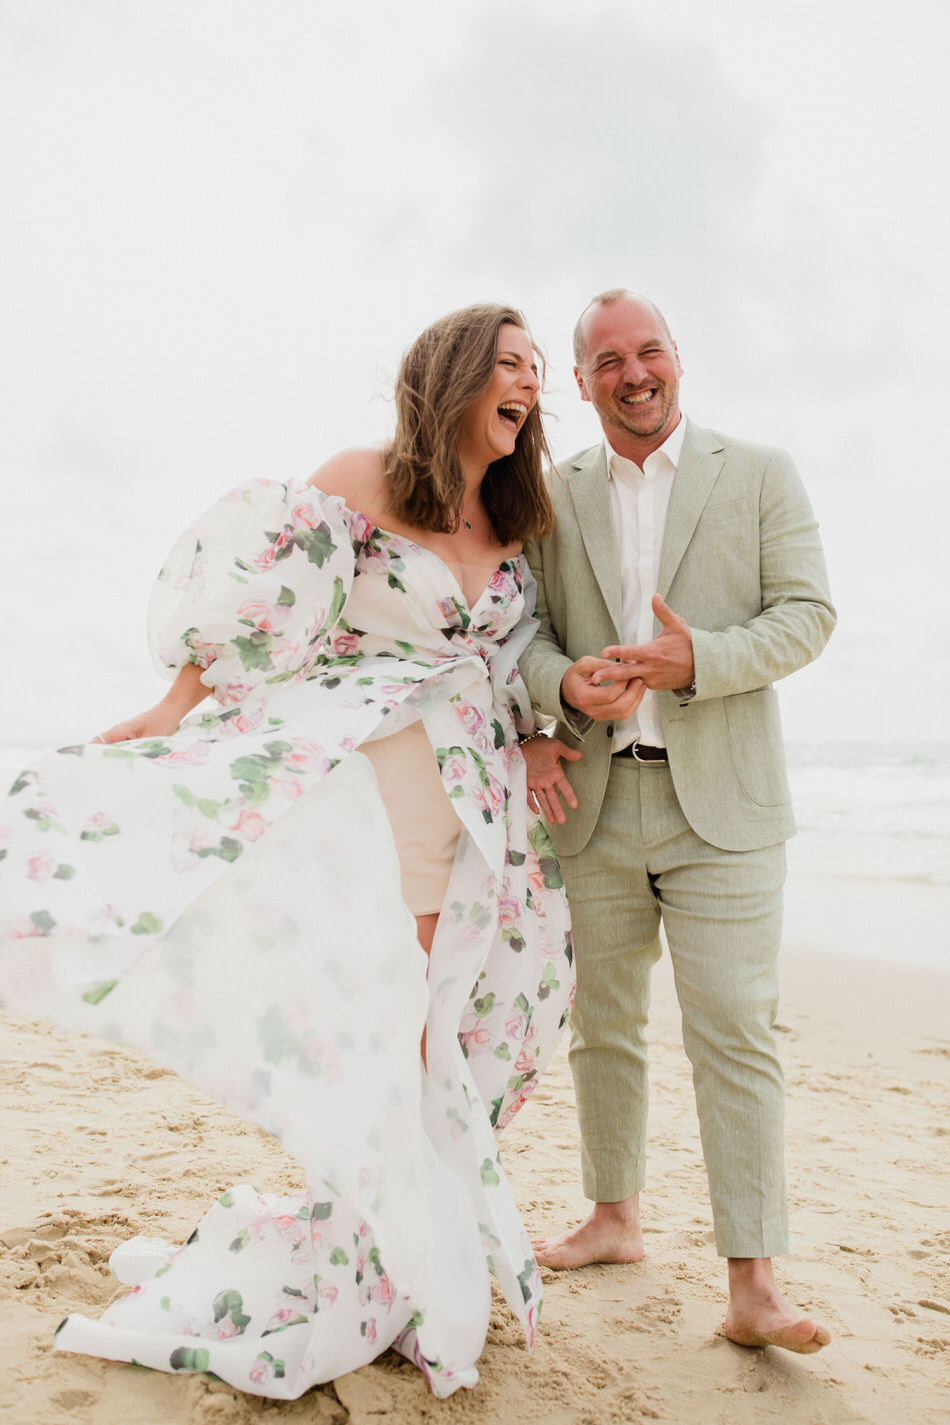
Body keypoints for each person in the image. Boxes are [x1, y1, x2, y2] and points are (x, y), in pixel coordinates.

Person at [0, 304, 574, 1399]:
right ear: (453, 374)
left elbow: (515, 661)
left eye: (536, 373)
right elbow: (261, 605)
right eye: (509, 365)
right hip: (377, 793)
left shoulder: (512, 514)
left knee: (449, 1028)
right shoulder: (360, 478)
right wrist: (173, 708)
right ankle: (380, 1258)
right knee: (391, 1033)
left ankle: (378, 1244)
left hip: (478, 804)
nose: (527, 385)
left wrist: (546, 732)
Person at [517, 289, 836, 1353]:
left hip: (726, 809)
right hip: (596, 806)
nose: (631, 372)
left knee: (733, 1033)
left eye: (646, 350)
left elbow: (806, 614)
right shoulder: (548, 497)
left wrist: (700, 658)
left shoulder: (757, 473)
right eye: (605, 360)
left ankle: (753, 1283)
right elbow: (518, 638)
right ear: (580, 381)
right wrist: (563, 689)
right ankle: (613, 1219)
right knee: (599, 1029)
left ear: (677, 360)